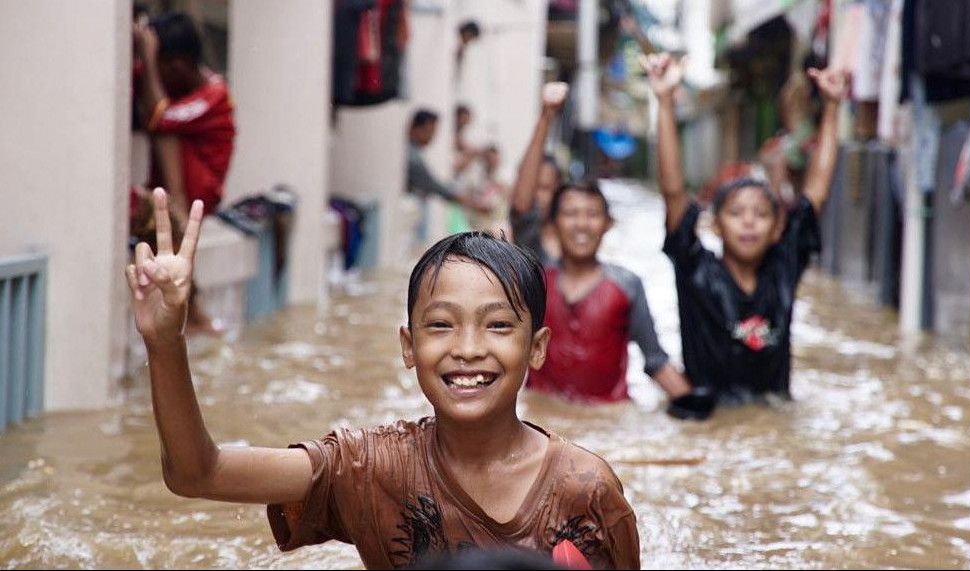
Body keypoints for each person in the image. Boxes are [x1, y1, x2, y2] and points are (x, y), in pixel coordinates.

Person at [124, 191, 640, 570]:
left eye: (498, 325)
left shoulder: (586, 490)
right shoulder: (370, 468)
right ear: (408, 347)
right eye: (440, 325)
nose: (467, 348)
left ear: (538, 349)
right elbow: (198, 474)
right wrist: (165, 342)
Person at [642, 53, 846, 418]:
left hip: (773, 414)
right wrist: (664, 100)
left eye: (761, 214)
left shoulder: (783, 267)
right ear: (716, 225)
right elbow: (674, 192)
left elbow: (816, 193)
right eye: (736, 214)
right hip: (708, 418)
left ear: (777, 228)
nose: (749, 223)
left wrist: (832, 107)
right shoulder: (695, 269)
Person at [524, 181, 691, 404]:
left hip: (607, 417)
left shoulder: (627, 285)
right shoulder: (537, 279)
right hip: (543, 416)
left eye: (592, 214)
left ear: (608, 223)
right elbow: (522, 213)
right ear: (553, 223)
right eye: (571, 213)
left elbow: (656, 361)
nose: (582, 224)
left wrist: (695, 409)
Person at [132, 10, 235, 336]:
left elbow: (163, 119)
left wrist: (148, 57)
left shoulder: (215, 95)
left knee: (166, 128)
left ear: (177, 65)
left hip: (196, 197)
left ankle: (199, 318)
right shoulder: (175, 84)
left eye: (159, 64)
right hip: (166, 193)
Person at [510, 83, 568, 264]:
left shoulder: (573, 242)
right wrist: (546, 117)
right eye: (533, 187)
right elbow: (522, 205)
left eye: (545, 188)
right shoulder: (526, 239)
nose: (537, 196)